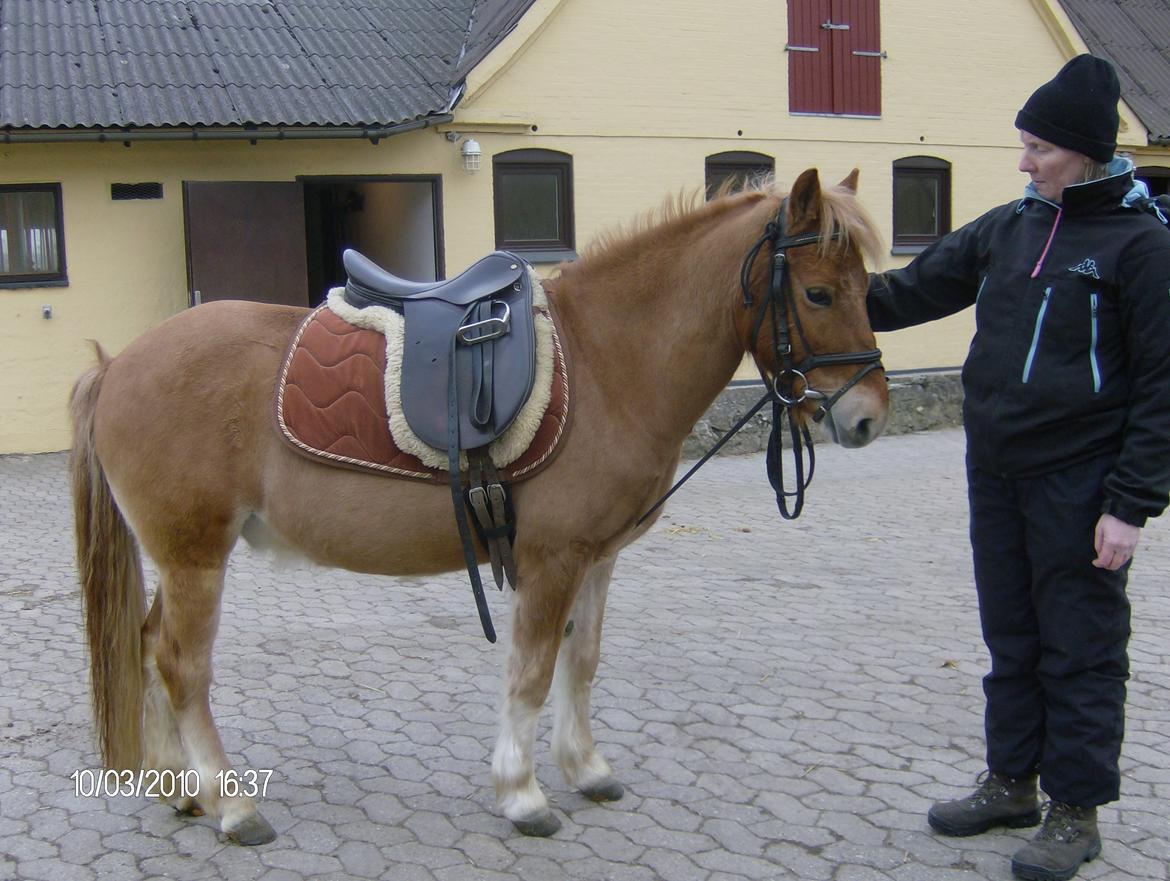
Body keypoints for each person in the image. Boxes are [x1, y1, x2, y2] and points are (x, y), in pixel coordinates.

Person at [867, 55, 1170, 881]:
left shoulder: (1140, 247)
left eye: (1038, 147)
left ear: (1084, 151)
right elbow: (905, 293)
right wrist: (809, 288)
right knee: (1013, 638)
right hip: (994, 471)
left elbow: (1162, 388)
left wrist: (1131, 505)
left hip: (1082, 483)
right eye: (1024, 146)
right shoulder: (1011, 225)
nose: (1025, 162)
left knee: (1081, 646)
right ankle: (1011, 783)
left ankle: (1076, 812)